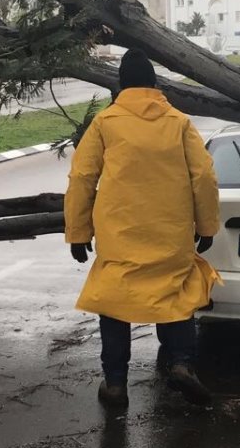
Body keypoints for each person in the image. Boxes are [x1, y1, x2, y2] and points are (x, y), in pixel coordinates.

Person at [64, 49, 220, 409]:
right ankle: (180, 364)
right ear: (154, 84)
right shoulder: (178, 122)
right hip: (171, 233)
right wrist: (207, 225)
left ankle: (116, 385)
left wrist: (78, 232)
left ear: (120, 85)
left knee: (115, 306)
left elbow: (82, 178)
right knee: (176, 297)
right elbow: (204, 176)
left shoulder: (105, 123)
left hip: (119, 238)